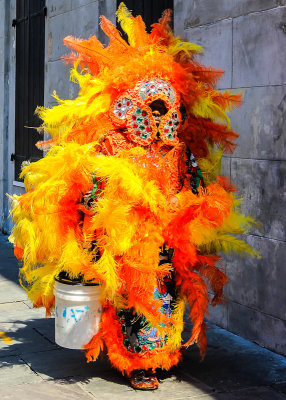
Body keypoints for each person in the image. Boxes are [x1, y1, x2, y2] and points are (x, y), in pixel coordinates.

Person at [9, 3, 257, 391]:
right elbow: (92, 181)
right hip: (125, 236)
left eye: (165, 109)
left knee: (165, 293)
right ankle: (136, 362)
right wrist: (100, 210)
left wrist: (195, 208)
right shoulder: (113, 141)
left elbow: (192, 184)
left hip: (167, 235)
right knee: (132, 296)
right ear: (133, 108)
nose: (158, 118)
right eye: (152, 108)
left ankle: (163, 353)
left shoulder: (178, 149)